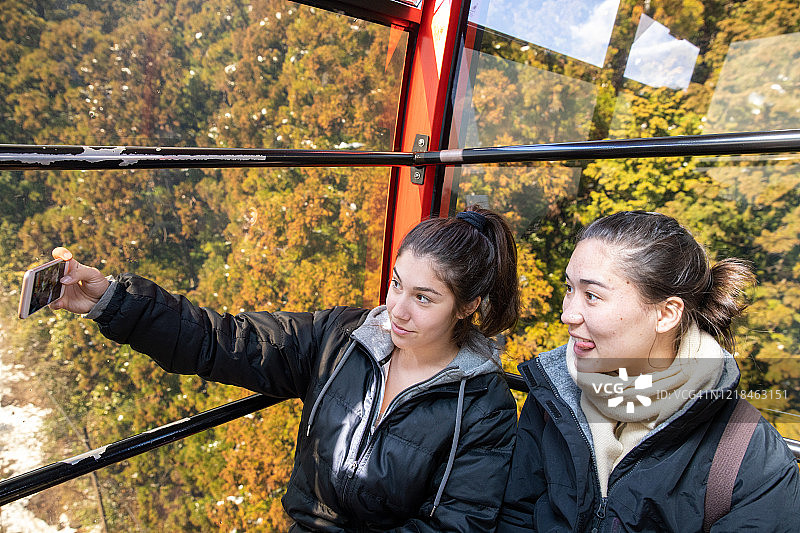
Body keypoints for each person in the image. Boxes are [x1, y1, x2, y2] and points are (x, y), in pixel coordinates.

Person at [51, 206, 520, 532]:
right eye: (397, 284)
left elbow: (456, 525)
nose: (397, 310)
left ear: (467, 306)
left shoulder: (482, 406)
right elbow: (223, 342)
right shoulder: (340, 338)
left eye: (424, 298)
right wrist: (110, 300)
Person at [498, 210, 800, 532]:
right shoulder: (553, 397)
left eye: (592, 295)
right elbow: (517, 516)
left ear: (667, 314)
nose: (568, 314)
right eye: (569, 288)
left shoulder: (747, 457)